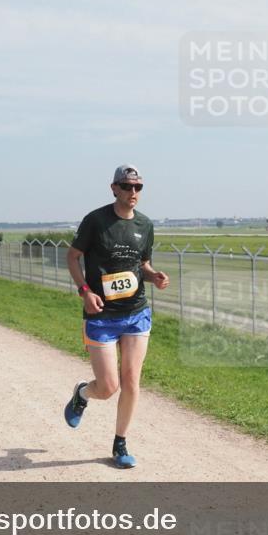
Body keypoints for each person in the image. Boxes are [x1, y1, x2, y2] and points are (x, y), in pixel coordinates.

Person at [64, 165, 169, 468]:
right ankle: (83, 394)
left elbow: (142, 265)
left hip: (136, 313)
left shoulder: (145, 225)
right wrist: (85, 291)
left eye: (138, 187)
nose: (132, 192)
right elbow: (73, 257)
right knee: (108, 387)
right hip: (101, 316)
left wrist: (154, 276)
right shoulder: (96, 221)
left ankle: (120, 443)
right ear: (114, 188)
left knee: (132, 381)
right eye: (126, 186)